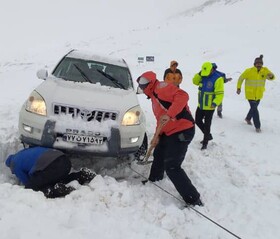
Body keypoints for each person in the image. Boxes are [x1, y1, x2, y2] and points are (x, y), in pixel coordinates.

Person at [137, 71, 203, 207]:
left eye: (143, 88)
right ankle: (155, 180)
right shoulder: (154, 96)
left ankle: (194, 199)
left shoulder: (161, 88)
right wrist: (156, 136)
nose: (143, 92)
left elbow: (183, 96)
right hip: (169, 131)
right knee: (159, 153)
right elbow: (160, 120)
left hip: (182, 129)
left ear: (148, 85)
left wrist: (170, 114)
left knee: (172, 166)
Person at [5, 146, 96, 198]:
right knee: (54, 178)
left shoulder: (14, 164)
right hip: (64, 161)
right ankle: (81, 175)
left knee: (31, 187)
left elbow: (27, 182)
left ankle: (55, 190)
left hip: (52, 165)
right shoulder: (23, 153)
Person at [237, 55, 275, 132]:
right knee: (255, 109)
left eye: (260, 63)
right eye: (257, 63)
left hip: (259, 94)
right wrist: (238, 88)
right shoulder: (249, 71)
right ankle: (258, 126)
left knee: (253, 108)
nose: (259, 65)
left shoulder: (265, 70)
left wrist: (271, 76)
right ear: (254, 64)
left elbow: (272, 78)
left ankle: (248, 118)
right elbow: (241, 78)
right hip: (250, 94)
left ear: (262, 64)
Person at [192, 62, 224, 150]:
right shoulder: (202, 75)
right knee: (197, 121)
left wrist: (215, 103)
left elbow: (220, 94)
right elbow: (194, 82)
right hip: (201, 104)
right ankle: (208, 135)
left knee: (207, 124)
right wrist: (199, 73)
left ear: (212, 70)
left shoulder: (218, 79)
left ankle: (205, 142)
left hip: (210, 106)